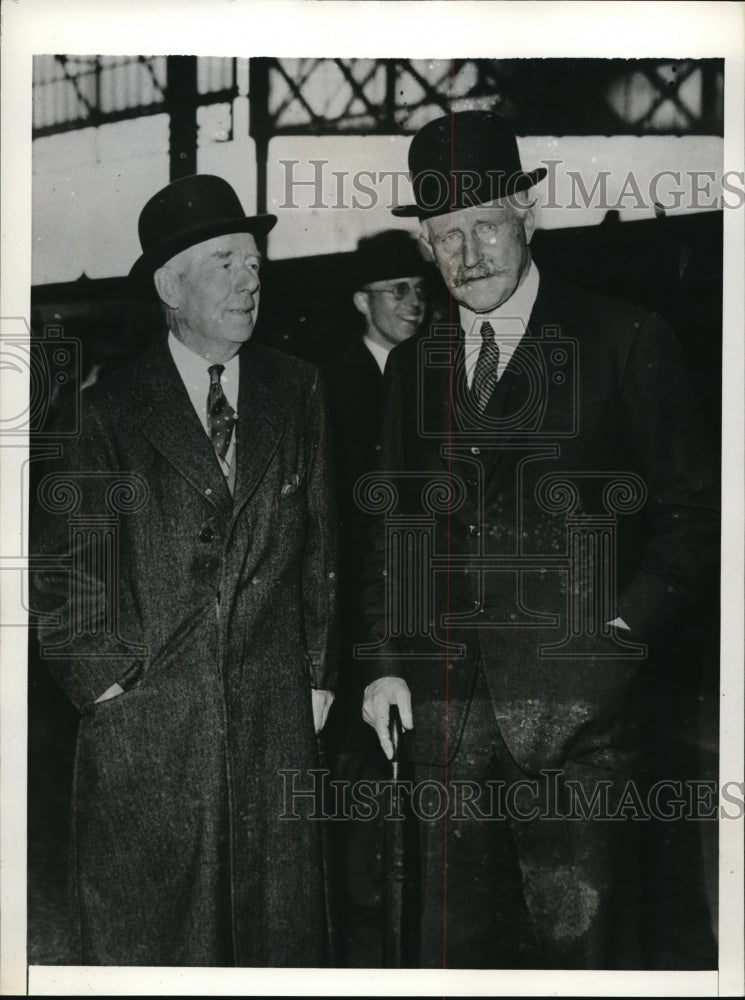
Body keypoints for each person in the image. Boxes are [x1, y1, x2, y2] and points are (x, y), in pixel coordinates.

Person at [358, 111, 719, 968]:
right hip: (446, 730)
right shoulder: (415, 368)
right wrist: (380, 665)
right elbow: (390, 530)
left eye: (486, 226)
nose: (469, 254)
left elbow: (696, 515)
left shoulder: (625, 340)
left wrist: (620, 633)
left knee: (585, 957)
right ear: (425, 248)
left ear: (527, 214)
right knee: (460, 957)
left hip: (580, 725)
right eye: (446, 237)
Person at [30, 174, 338, 966]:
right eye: (226, 261)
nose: (250, 277)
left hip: (276, 724)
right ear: (171, 285)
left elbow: (322, 547)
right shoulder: (104, 414)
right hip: (149, 735)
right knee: (158, 941)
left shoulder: (297, 388)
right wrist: (106, 688)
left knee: (275, 942)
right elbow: (66, 575)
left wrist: (315, 679)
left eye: (255, 262)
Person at [322, 231, 429, 966]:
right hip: (350, 622)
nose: (414, 303)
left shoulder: (440, 372)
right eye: (397, 291)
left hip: (419, 615)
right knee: (361, 791)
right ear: (361, 301)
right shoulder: (327, 382)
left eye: (421, 290)